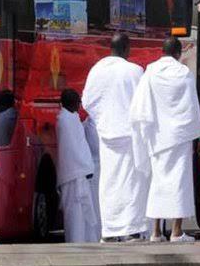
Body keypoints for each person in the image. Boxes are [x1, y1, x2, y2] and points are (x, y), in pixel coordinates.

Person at [130, 37, 200, 243]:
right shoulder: (184, 73)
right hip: (179, 136)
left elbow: (140, 105)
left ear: (162, 51)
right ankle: (176, 231)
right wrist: (198, 134)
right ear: (179, 53)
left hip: (157, 135)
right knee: (179, 182)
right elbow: (191, 106)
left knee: (158, 182)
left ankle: (155, 231)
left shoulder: (151, 71)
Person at [82, 33, 148, 242]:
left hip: (107, 135)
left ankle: (109, 230)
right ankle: (132, 229)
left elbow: (87, 102)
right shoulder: (135, 71)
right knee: (133, 183)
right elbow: (144, 103)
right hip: (130, 135)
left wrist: (102, 120)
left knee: (109, 183)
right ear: (127, 49)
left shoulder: (97, 70)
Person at [57, 89, 99, 243]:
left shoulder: (71, 118)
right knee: (75, 213)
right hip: (74, 174)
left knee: (81, 213)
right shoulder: (65, 120)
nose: (79, 106)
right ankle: (76, 240)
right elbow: (73, 148)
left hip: (78, 172)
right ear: (73, 103)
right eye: (78, 103)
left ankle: (84, 239)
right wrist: (85, 166)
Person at [83, 117, 101, 237]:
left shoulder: (87, 125)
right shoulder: (89, 125)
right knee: (95, 206)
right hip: (95, 169)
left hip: (98, 168)